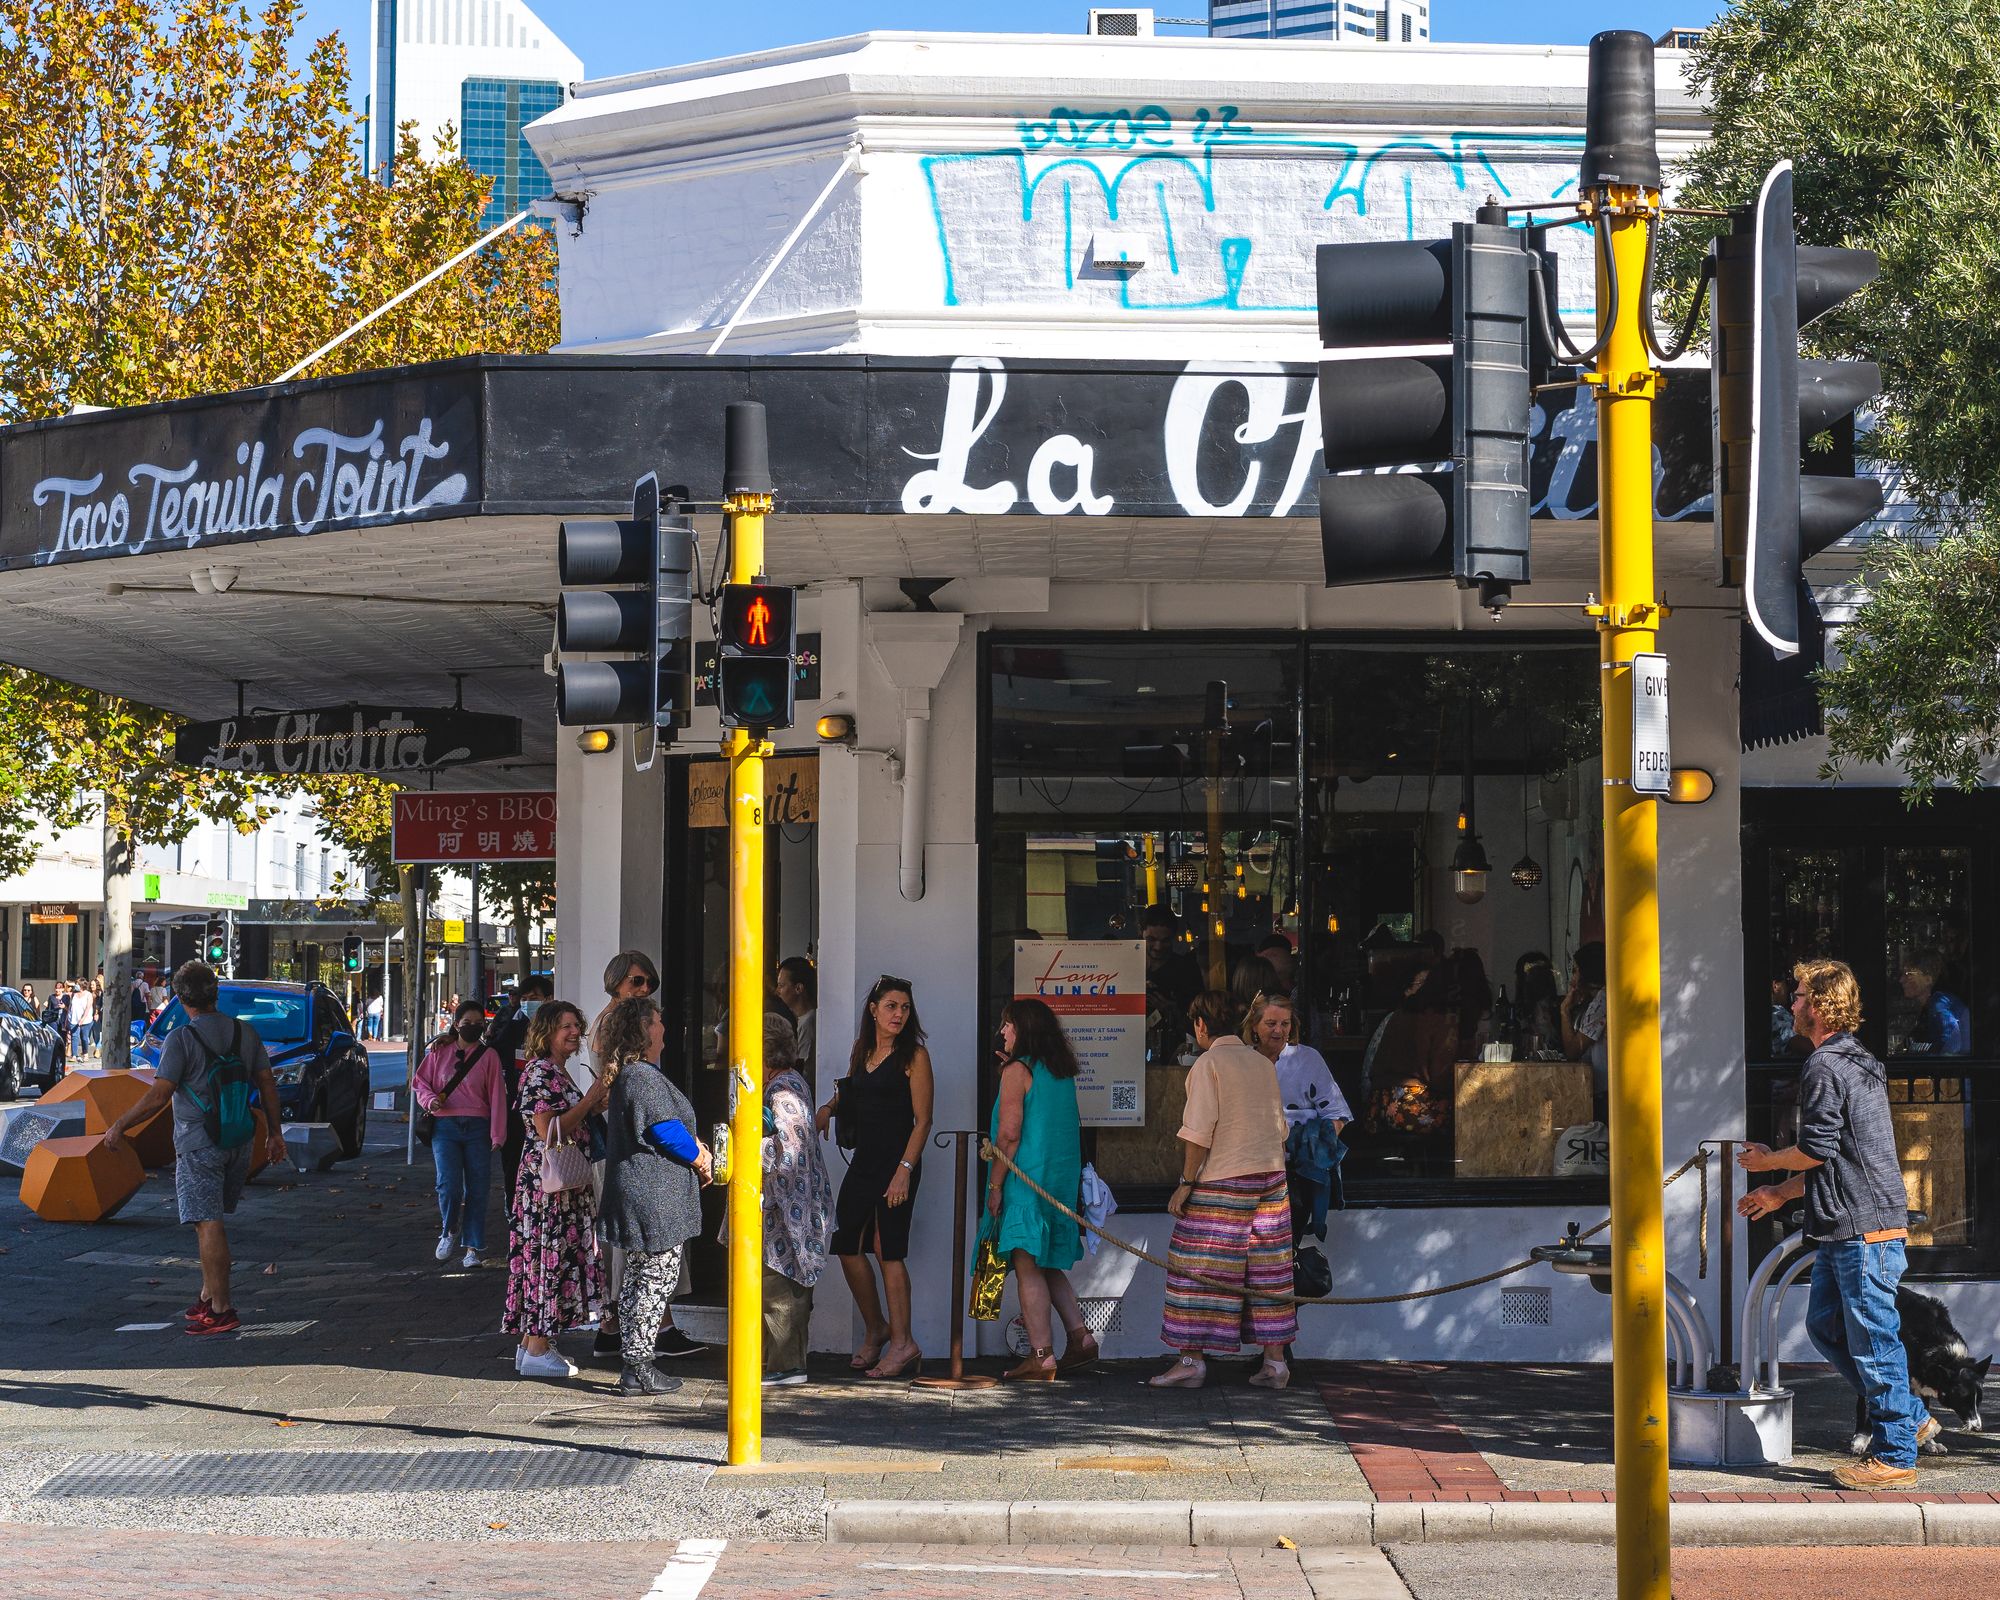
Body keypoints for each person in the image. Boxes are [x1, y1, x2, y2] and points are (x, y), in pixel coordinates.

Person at [1737, 959, 1929, 1490]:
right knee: (1826, 1326)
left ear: (1819, 1006)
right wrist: (1778, 1193)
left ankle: (1895, 1454)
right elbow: (1839, 1157)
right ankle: (1911, 1417)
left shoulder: (1826, 1066)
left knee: (1873, 1341)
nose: (1791, 1004)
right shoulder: (1858, 1060)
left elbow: (1817, 1149)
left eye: (1798, 996)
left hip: (1861, 1229)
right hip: (1847, 1225)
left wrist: (1769, 1161)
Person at [101, 960, 288, 1336]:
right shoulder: (244, 1033)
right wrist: (274, 1134)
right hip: (238, 1138)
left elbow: (159, 1094)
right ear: (214, 993)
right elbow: (268, 1084)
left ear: (180, 997)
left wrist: (120, 1125)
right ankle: (207, 1294)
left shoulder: (182, 1038)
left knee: (208, 1224)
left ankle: (222, 1309)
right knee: (209, 1220)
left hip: (199, 1142)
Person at [1150, 989, 1296, 1392]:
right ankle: (1275, 1363)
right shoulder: (1260, 1062)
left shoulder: (1208, 1064)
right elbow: (1279, 1128)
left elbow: (1198, 1132)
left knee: (1195, 1267)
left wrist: (1186, 1183)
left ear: (1200, 1025)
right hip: (1272, 1175)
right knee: (1270, 1271)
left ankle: (1191, 1361)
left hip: (1224, 1180)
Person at [584, 949, 703, 1362]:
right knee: (639, 1248)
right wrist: (699, 1156)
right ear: (615, 982)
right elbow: (648, 1116)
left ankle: (630, 1332)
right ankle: (636, 1338)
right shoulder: (617, 1038)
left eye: (649, 983)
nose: (644, 990)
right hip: (625, 1156)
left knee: (641, 1252)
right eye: (636, 982)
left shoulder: (634, 1048)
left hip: (622, 1150)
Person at [815, 974, 934, 1379]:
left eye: (904, 1007)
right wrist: (828, 1108)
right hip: (865, 1160)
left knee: (889, 1249)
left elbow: (923, 1122)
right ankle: (877, 1327)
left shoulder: (913, 1056)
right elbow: (852, 1092)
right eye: (891, 1006)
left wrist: (904, 1172)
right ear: (874, 1010)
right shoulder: (861, 1049)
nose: (898, 1014)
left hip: (898, 1162)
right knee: (847, 1242)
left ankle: (904, 1343)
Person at [986, 996, 1096, 1381]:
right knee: (1046, 1262)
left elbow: (1009, 1134)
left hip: (1026, 1181)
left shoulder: (1017, 1070)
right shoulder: (1060, 1070)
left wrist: (996, 1184)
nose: (1002, 1031)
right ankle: (1080, 1338)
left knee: (1026, 1263)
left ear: (1024, 1030)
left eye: (1008, 1025)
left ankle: (1041, 1354)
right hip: (1058, 1181)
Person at [504, 1000, 610, 1381]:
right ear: (546, 1031)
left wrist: (594, 1104)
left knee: (548, 1259)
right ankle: (536, 1348)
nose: (573, 1032)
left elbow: (572, 1120)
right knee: (544, 1259)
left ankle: (532, 1346)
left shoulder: (557, 1072)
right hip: (547, 1190)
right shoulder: (539, 1072)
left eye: (576, 1026)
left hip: (561, 1187)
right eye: (565, 1026)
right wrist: (590, 1098)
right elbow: (548, 1129)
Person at [760, 1012, 834, 1387]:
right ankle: (781, 1362)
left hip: (787, 1206)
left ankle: (787, 1364)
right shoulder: (790, 1084)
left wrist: (743, 1151)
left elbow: (786, 1152)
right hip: (795, 1204)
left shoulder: (782, 1091)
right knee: (780, 1281)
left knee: (780, 1283)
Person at [1248, 992, 1352, 1239]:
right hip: (1250, 1169)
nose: (1278, 1031)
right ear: (1254, 1025)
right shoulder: (1243, 1061)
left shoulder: (1307, 1059)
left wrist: (1314, 1142)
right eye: (1271, 1024)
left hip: (1295, 1172)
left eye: (1285, 1024)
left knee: (1285, 1245)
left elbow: (1337, 1113)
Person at [414, 999, 507, 1269]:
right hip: (445, 1127)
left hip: (478, 1128)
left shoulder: (489, 1056)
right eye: (467, 1023)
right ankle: (449, 1228)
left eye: (479, 1023)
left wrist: (497, 1134)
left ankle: (472, 1248)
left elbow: (497, 1096)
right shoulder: (439, 1052)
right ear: (456, 1025)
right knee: (449, 1185)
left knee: (478, 1188)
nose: (474, 1027)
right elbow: (420, 1083)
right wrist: (430, 1100)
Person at [493, 974, 554, 1203]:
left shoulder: (556, 1028)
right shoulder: (514, 1024)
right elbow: (495, 1050)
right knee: (513, 1162)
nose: (528, 1002)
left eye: (534, 998)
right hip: (515, 1108)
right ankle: (513, 1206)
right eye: (525, 998)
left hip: (544, 1108)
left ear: (548, 999)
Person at [1141, 905, 1202, 1063]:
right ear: (1141, 934)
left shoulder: (1186, 969)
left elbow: (1199, 1016)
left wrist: (1172, 1009)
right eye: (1151, 940)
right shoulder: (1129, 968)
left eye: (1165, 940)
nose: (1158, 947)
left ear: (1173, 937)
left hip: (1176, 1051)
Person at [1560, 941, 1609, 1117]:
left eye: (1575, 971)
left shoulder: (1602, 1002)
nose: (1572, 977)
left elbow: (1573, 1050)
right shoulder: (1600, 999)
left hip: (1605, 1092)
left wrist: (1564, 1011)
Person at [1901, 950, 1970, 1057]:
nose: (1901, 980)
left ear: (1928, 979)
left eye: (1909, 974)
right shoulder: (1927, 1007)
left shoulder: (1940, 1002)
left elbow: (1950, 1046)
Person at [774, 956, 818, 1083]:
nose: (778, 991)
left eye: (781, 985)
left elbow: (803, 1066)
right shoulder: (799, 1019)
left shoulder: (808, 1023)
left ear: (798, 988)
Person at [68, 979, 96, 1059]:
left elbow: (88, 1008)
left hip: (86, 1020)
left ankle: (85, 1053)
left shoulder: (88, 995)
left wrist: (82, 1019)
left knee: (84, 1037)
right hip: (74, 1019)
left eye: (77, 984)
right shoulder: (74, 994)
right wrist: (68, 1018)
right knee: (74, 1036)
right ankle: (74, 1055)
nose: (76, 985)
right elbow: (71, 1006)